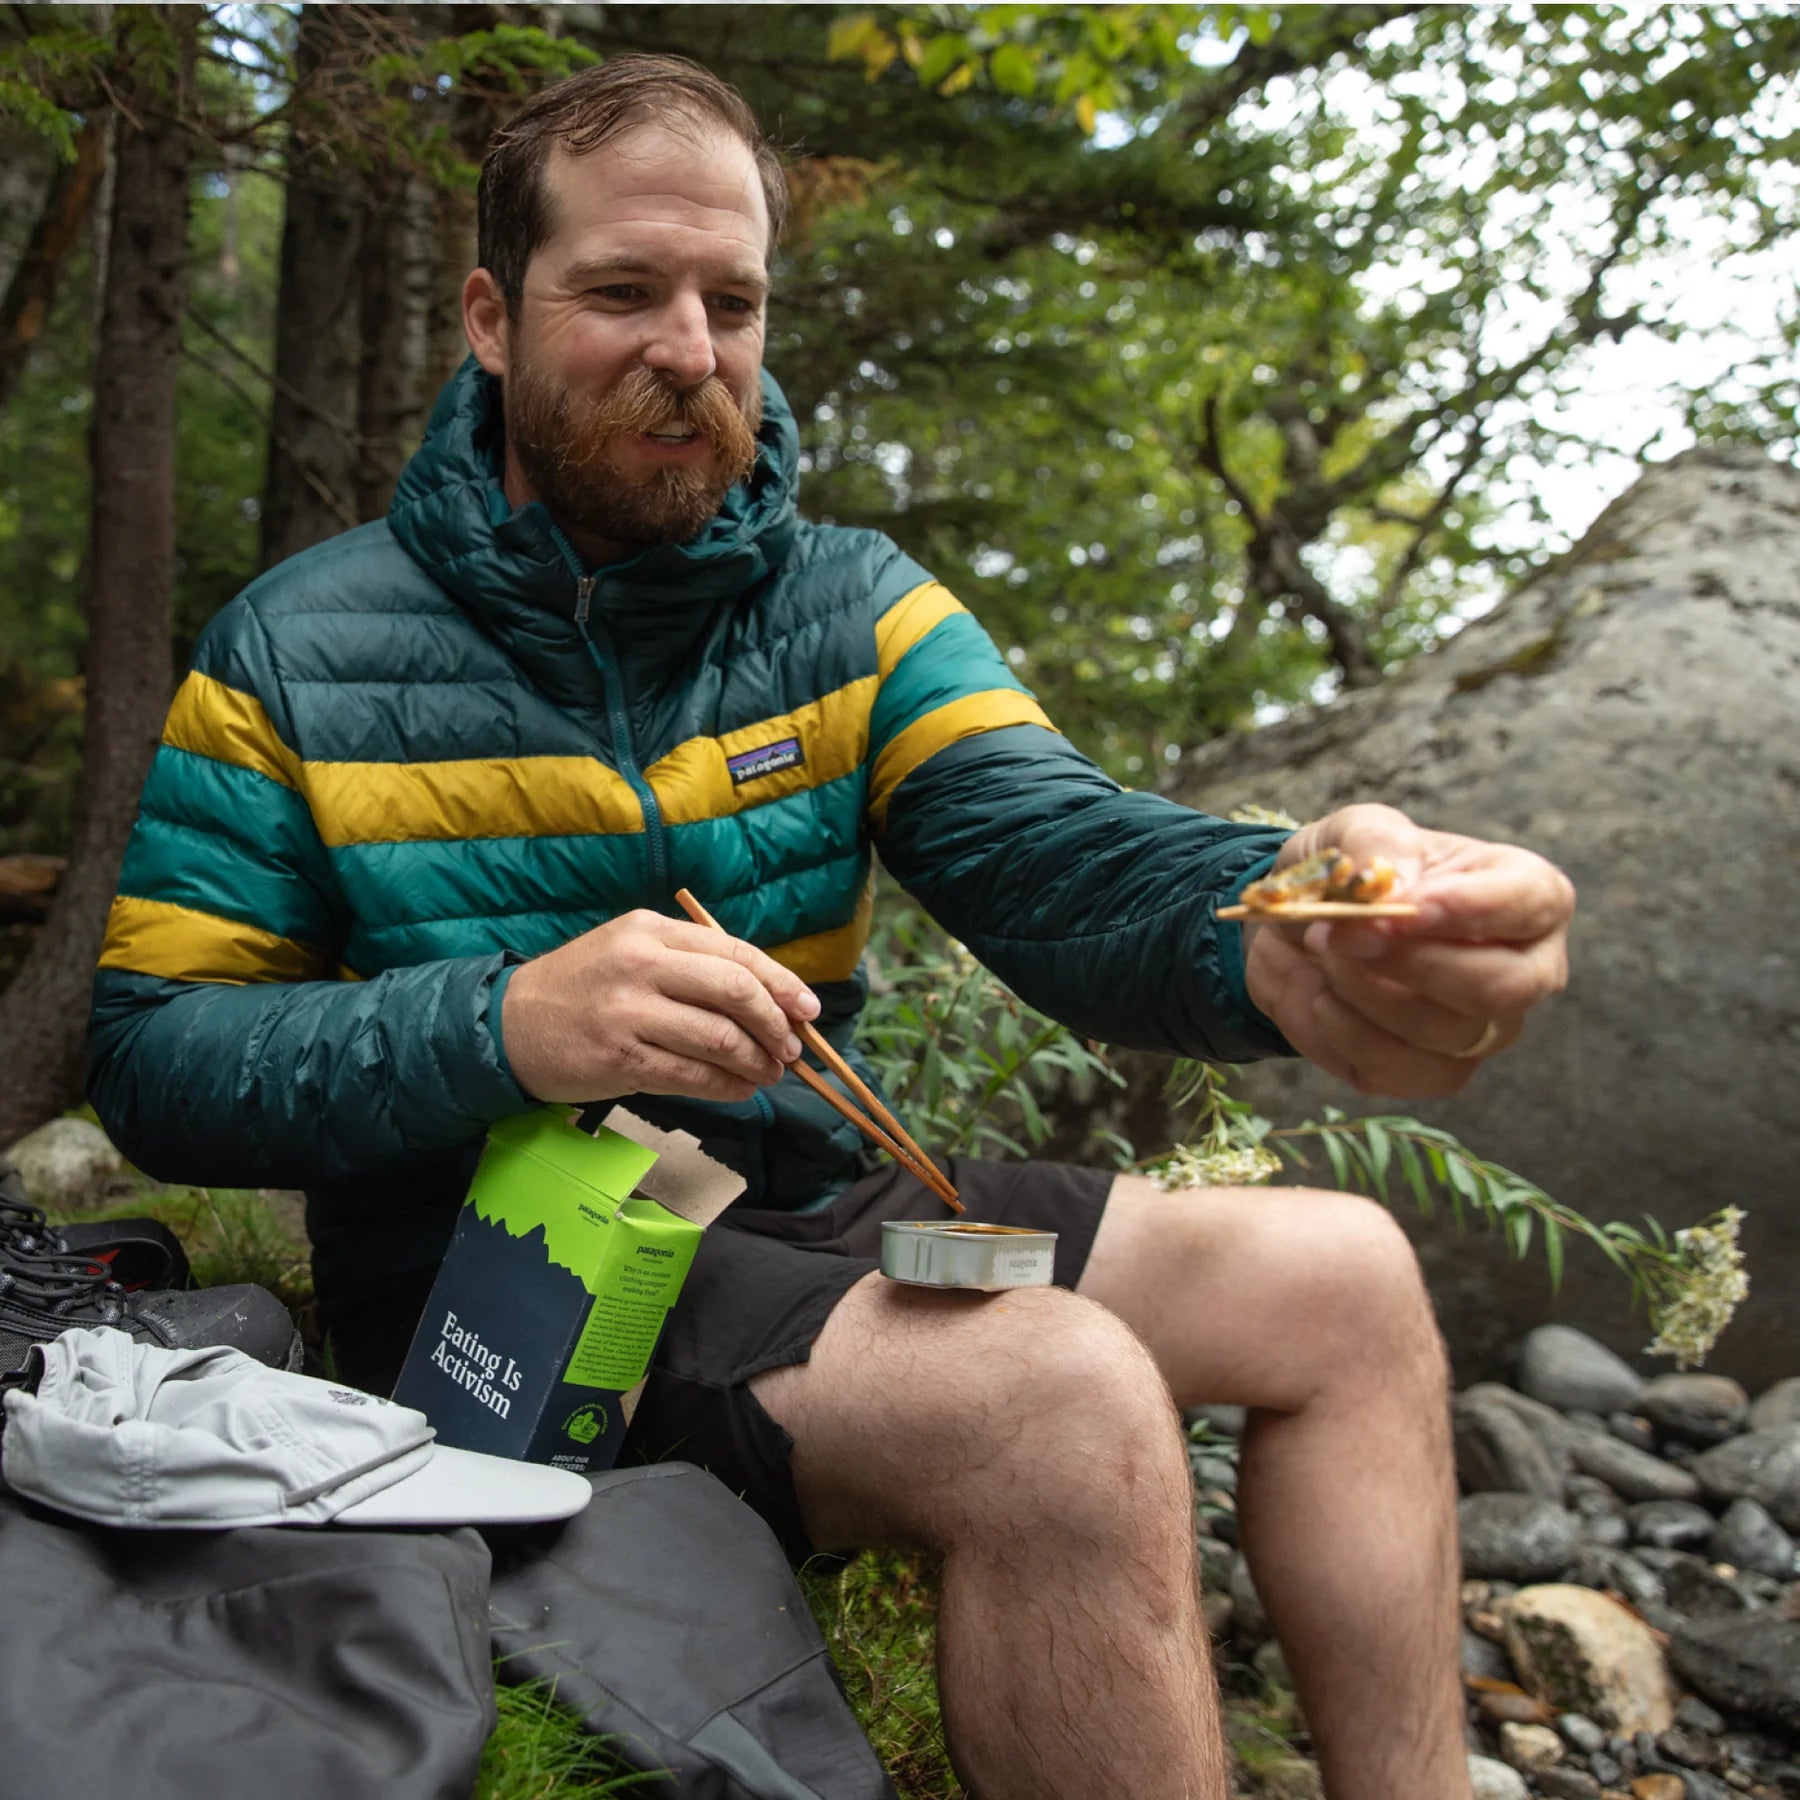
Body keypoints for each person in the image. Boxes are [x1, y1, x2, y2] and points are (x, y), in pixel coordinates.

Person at [88, 54, 1574, 1800]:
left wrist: (1287, 925)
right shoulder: (294, 647)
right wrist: (501, 1023)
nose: (692, 349)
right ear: (491, 318)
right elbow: (153, 1058)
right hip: (506, 1276)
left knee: (1346, 1278)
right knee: (1059, 1399)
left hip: (814, 1199)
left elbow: (1057, 854)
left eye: (734, 300)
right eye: (624, 292)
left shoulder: (851, 609)